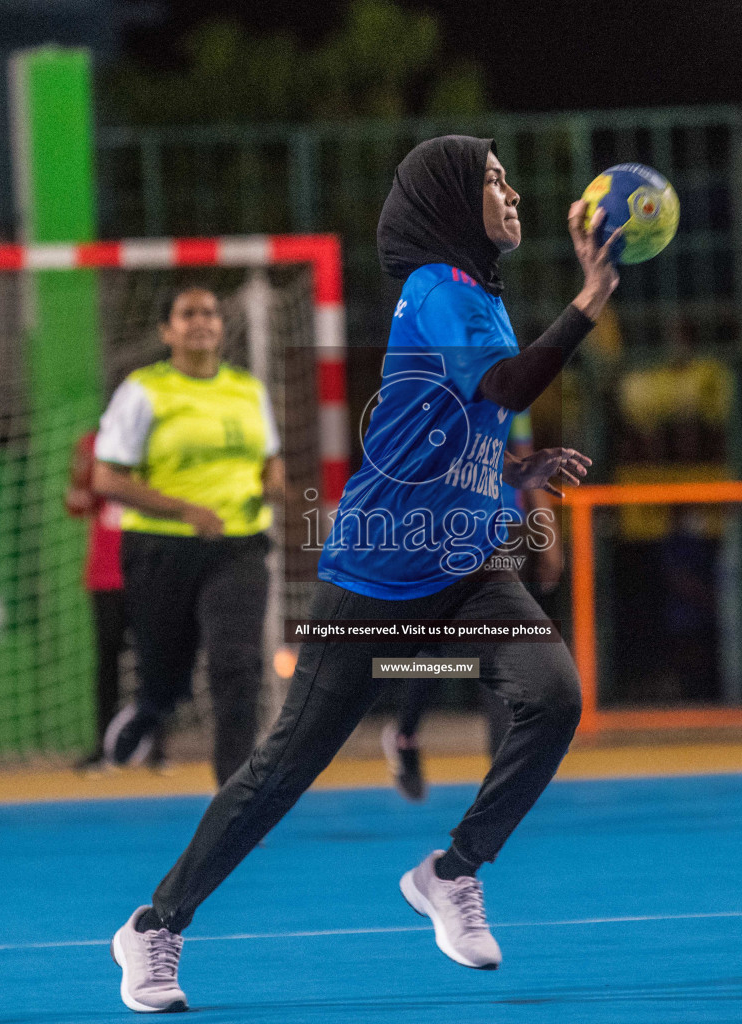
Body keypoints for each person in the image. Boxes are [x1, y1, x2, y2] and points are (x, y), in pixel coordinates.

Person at [110, 135, 620, 1013]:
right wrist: (588, 300)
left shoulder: (480, 303)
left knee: (554, 695)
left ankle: (451, 871)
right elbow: (508, 386)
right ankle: (155, 928)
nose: (513, 193)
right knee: (278, 775)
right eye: (494, 180)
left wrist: (513, 475)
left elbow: (465, 424)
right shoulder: (436, 291)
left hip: (466, 570)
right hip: (375, 581)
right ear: (454, 201)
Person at [91, 286, 285, 788]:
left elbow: (271, 460)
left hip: (239, 545)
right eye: (188, 313)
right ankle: (151, 706)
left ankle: (235, 797)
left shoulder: (247, 389)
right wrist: (183, 509)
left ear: (222, 326)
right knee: (166, 675)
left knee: (236, 667)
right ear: (166, 330)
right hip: (161, 549)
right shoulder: (143, 390)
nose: (201, 321)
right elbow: (106, 479)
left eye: (211, 312)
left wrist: (275, 485)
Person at [380, 411, 561, 801]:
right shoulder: (432, 395)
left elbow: (528, 462)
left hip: (502, 531)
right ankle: (405, 736)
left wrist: (549, 534)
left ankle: (502, 775)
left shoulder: (516, 400)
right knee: (437, 653)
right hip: (441, 530)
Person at [64, 431, 133, 773]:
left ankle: (156, 747)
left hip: (150, 567)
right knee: (108, 659)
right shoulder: (91, 444)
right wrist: (82, 479)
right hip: (105, 573)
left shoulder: (158, 436)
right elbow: (76, 504)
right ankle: (105, 746)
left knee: (157, 658)